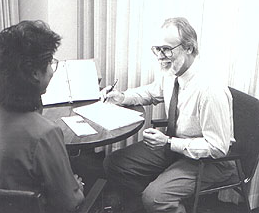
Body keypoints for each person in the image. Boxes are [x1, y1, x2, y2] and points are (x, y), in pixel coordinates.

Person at [101, 17, 237, 213]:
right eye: (157, 49)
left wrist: (168, 142)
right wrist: (121, 97)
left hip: (209, 162)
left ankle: (158, 202)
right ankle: (156, 204)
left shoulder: (210, 90)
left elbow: (217, 147)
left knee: (155, 198)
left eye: (166, 49)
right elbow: (151, 92)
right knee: (114, 163)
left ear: (189, 48)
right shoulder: (173, 72)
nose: (160, 55)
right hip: (176, 147)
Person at [0, 20, 85, 213]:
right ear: (34, 73)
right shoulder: (45, 133)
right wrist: (77, 188)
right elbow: (69, 204)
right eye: (50, 63)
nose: (52, 70)